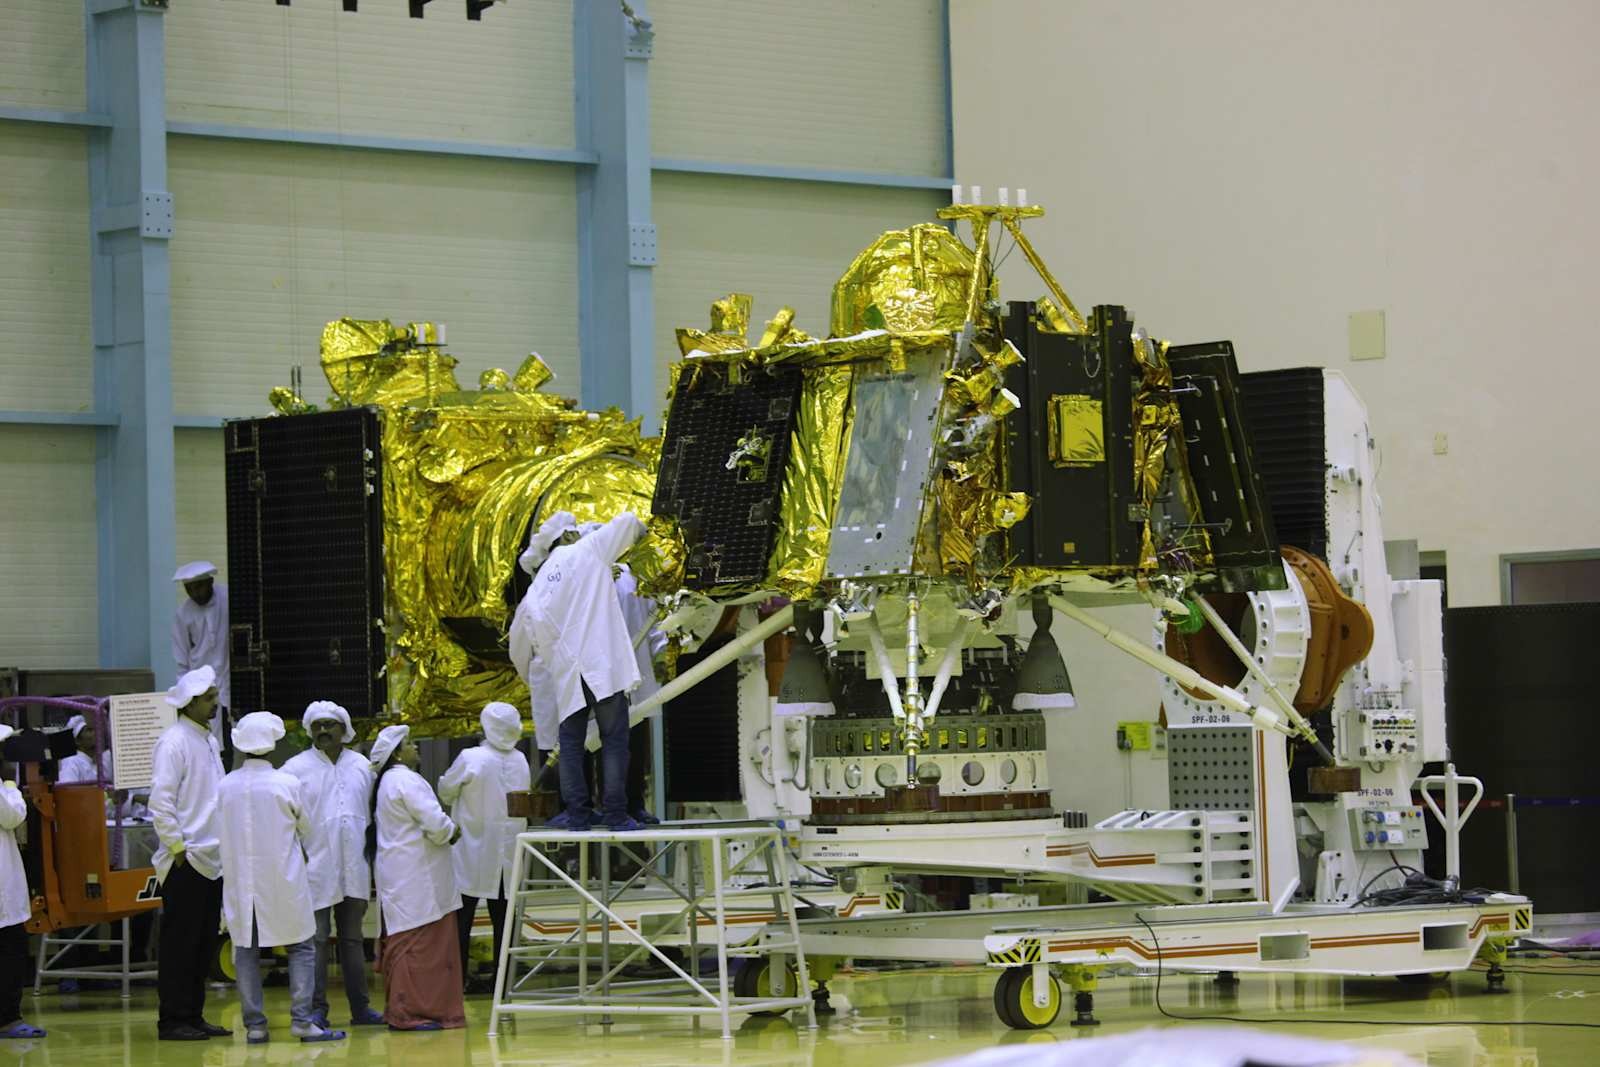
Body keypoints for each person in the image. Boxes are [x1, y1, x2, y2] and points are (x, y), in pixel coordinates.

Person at [217, 712, 346, 1045]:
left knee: (245, 950)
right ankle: (302, 1021)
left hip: (241, 884)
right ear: (272, 745)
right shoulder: (286, 784)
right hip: (283, 881)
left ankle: (255, 1026)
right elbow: (308, 828)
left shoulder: (225, 786)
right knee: (301, 947)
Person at [516, 510, 649, 832]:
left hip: (568, 676)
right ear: (568, 536)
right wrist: (643, 534)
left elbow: (532, 637)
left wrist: (560, 663)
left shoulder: (537, 588)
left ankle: (578, 815)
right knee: (613, 740)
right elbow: (628, 522)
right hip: (602, 668)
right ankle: (616, 814)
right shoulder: (587, 550)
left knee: (571, 746)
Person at [282, 702, 384, 1028]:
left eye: (330, 725)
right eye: (317, 726)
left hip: (355, 866)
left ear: (344, 729)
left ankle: (361, 1010)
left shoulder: (362, 766)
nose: (323, 731)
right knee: (317, 940)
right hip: (314, 868)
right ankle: (316, 1010)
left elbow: (376, 814)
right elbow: (283, 819)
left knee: (353, 940)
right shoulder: (293, 769)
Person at [147, 665, 229, 1042]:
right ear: (190, 703)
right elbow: (161, 803)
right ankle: (173, 1020)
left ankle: (193, 1015)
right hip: (188, 859)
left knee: (202, 944)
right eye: (209, 698)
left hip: (212, 859)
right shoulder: (174, 742)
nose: (215, 703)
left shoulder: (208, 740)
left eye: (215, 696)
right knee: (180, 945)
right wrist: (178, 849)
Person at [368, 725, 466, 1031]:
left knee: (407, 940)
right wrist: (452, 831)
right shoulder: (406, 780)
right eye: (410, 744)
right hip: (418, 878)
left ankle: (405, 1010)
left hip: (402, 875)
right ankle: (413, 1012)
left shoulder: (388, 781)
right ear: (397, 754)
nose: (416, 748)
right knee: (421, 947)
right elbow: (434, 822)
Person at [438, 702, 529, 989]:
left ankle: (457, 983)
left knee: (462, 920)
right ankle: (503, 985)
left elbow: (446, 791)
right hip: (507, 855)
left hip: (472, 853)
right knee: (504, 920)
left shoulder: (471, 758)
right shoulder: (521, 760)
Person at [1, 726, 45, 1040]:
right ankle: (7, 1018)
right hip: (3, 887)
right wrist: (10, 783)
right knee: (10, 950)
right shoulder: (4, 785)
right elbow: (12, 815)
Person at [171, 561, 232, 764]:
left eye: (198, 587)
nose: (194, 593)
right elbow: (181, 658)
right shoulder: (183, 613)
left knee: (231, 737)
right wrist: (184, 695)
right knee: (206, 741)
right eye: (189, 589)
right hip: (201, 687)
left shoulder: (228, 598)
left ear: (210, 582)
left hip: (230, 680)